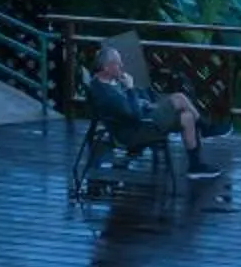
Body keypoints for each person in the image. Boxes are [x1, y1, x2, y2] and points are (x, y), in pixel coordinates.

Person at [85, 44, 217, 176]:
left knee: (187, 117)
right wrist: (130, 88)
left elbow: (132, 104)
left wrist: (144, 101)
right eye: (118, 64)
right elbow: (134, 115)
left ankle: (195, 166)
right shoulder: (107, 94)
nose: (122, 66)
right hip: (136, 130)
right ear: (106, 67)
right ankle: (205, 127)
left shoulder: (109, 81)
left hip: (143, 118)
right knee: (179, 98)